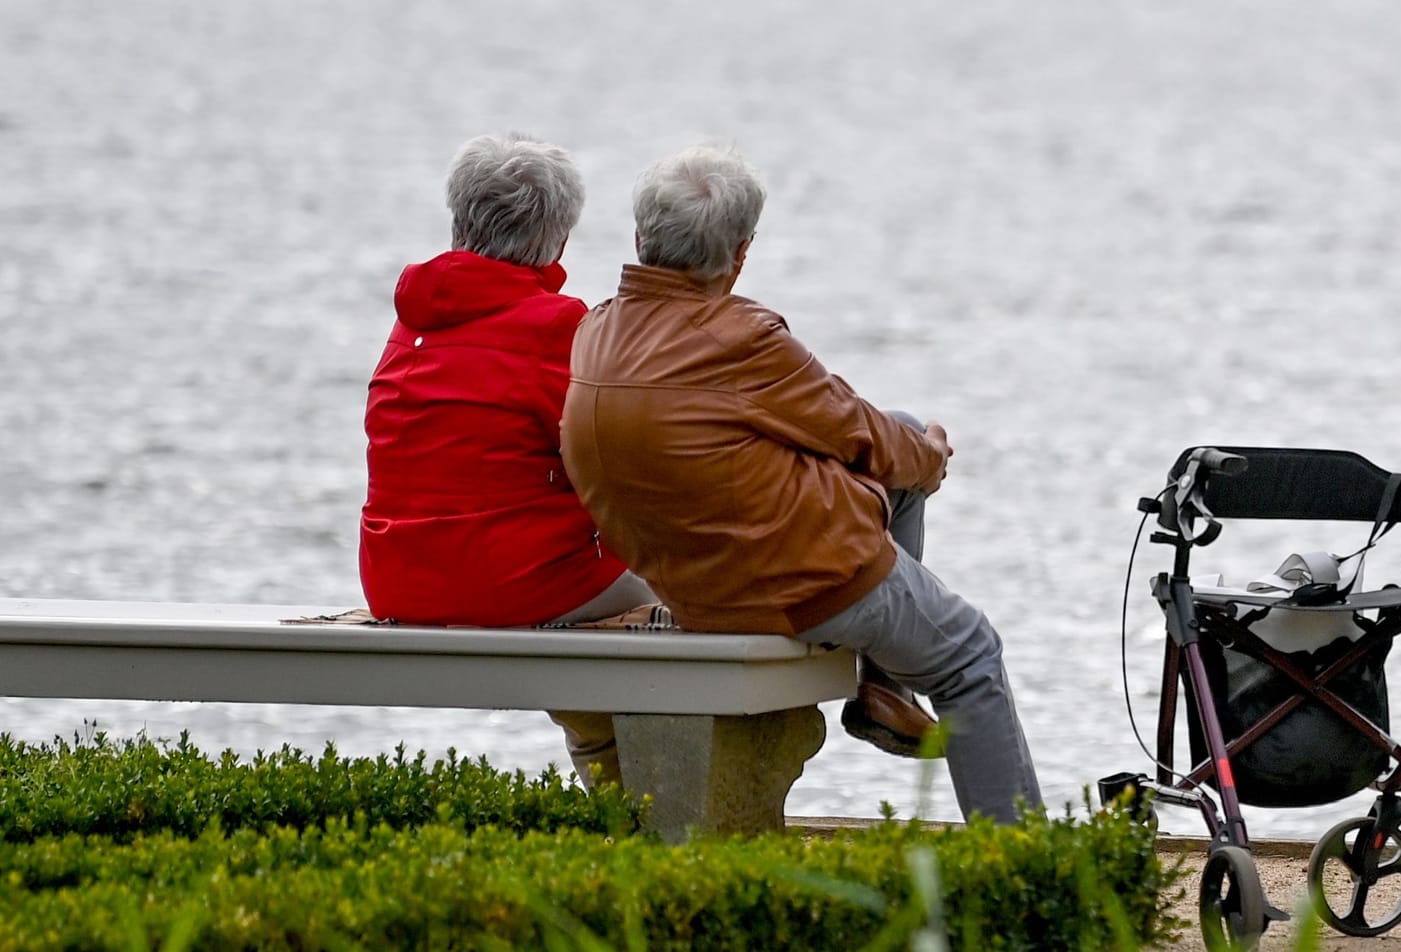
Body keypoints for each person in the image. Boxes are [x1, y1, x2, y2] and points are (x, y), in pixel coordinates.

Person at [559, 144, 1041, 824]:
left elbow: (853, 429)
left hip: (690, 582)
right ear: (740, 254)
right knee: (970, 656)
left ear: (640, 240)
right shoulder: (740, 337)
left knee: (894, 440)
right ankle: (1023, 864)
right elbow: (857, 431)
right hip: (800, 587)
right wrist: (931, 458)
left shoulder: (595, 332)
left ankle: (878, 687)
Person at [359, 133, 654, 787]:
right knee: (689, 613)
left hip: (396, 580)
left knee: (599, 654)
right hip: (509, 583)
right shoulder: (558, 324)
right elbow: (624, 459)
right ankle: (662, 834)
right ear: (558, 239)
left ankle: (619, 805)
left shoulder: (413, 321)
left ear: (461, 219)